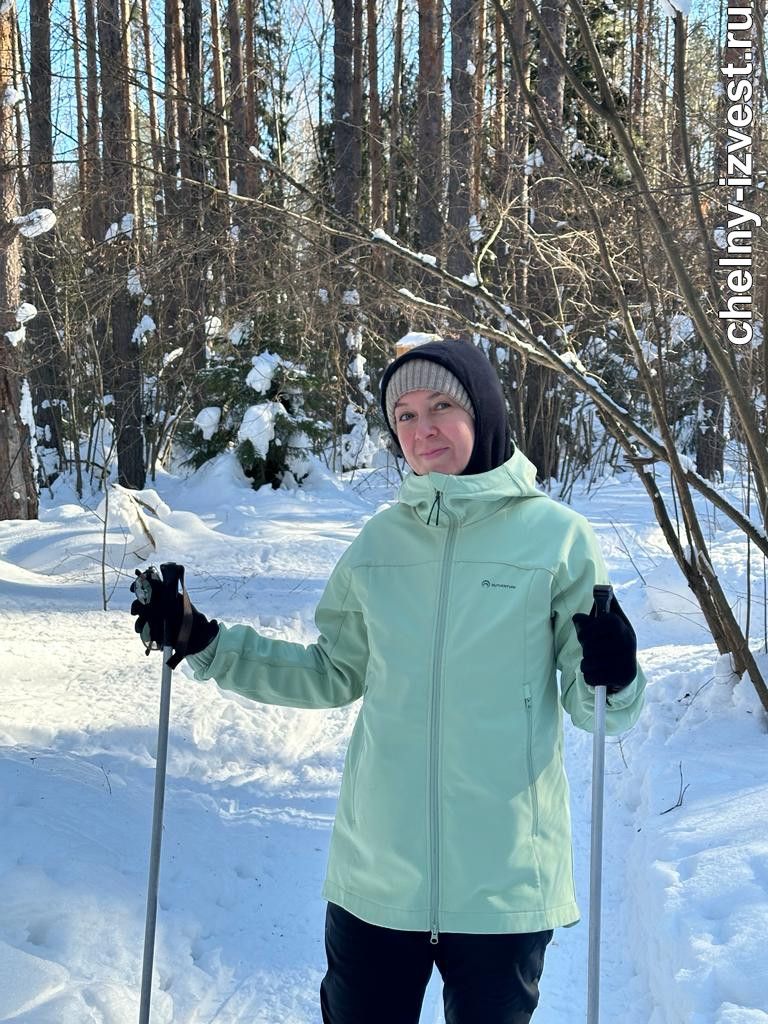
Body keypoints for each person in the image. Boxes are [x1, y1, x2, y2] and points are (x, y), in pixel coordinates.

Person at [131, 337, 646, 1024]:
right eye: (402, 414)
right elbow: (330, 672)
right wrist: (206, 642)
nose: (421, 428)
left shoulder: (557, 540)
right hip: (375, 878)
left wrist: (616, 670)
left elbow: (598, 707)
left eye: (440, 406)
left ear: (483, 413)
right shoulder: (379, 546)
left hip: (504, 880)